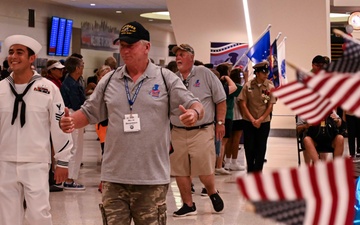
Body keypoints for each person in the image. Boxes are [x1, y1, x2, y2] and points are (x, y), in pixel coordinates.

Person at [59, 21, 203, 225]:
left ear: (147, 47)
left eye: (131, 45)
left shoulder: (165, 78)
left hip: (151, 180)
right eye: (122, 45)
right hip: (114, 179)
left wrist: (194, 113)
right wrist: (70, 122)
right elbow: (89, 112)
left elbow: (194, 103)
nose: (125, 51)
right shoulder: (109, 80)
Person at [0, 35, 72, 225]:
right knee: (7, 216)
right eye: (11, 52)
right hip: (4, 161)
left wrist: (63, 160)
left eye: (19, 52)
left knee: (39, 214)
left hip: (36, 162)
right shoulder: (1, 89)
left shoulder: (48, 89)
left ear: (32, 58)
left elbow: (60, 124)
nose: (13, 56)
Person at [170, 44, 226, 216]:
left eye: (182, 54)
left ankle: (212, 191)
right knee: (180, 170)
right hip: (178, 131)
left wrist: (220, 122)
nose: (177, 58)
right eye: (176, 55)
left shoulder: (204, 73)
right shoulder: (173, 79)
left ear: (191, 57)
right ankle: (188, 204)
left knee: (204, 168)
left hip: (202, 130)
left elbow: (221, 99)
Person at [239, 61, 276, 173]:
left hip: (264, 121)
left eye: (267, 72)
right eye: (263, 73)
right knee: (249, 146)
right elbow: (243, 104)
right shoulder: (248, 86)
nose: (266, 75)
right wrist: (252, 119)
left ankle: (258, 171)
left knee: (261, 146)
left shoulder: (270, 87)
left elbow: (270, 106)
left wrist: (260, 119)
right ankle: (250, 169)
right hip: (248, 121)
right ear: (257, 73)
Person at [60, 56, 86, 190]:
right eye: (81, 66)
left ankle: (70, 177)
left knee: (74, 147)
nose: (83, 68)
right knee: (74, 148)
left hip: (71, 115)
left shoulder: (71, 82)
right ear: (77, 68)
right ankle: (70, 179)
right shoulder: (72, 85)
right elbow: (77, 104)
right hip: (73, 115)